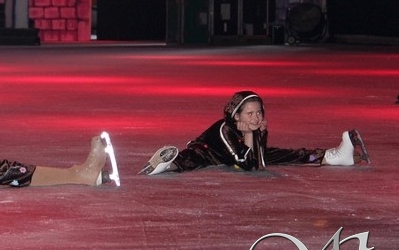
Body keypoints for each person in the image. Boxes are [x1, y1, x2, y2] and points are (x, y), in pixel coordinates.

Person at [139, 91, 369, 175]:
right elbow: (246, 165)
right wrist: (250, 135)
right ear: (236, 115)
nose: (256, 118)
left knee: (280, 154)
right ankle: (166, 165)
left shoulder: (254, 126)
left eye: (259, 112)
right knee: (193, 158)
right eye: (249, 113)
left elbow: (258, 160)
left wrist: (256, 134)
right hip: (210, 152)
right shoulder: (225, 129)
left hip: (239, 155)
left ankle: (332, 156)